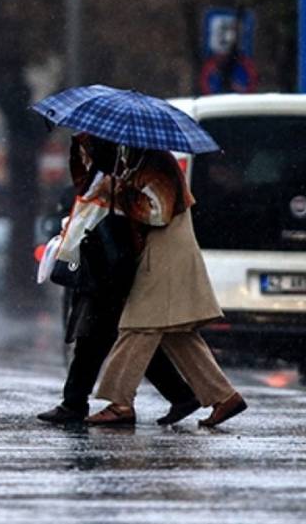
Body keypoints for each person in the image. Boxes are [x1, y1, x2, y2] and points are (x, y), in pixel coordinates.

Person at [37, 135, 201, 425]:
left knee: (99, 336)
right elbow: (82, 191)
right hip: (93, 258)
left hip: (109, 263)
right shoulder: (104, 168)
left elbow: (153, 212)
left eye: (88, 141)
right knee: (112, 337)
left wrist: (121, 193)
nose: (85, 145)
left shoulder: (135, 167)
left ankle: (76, 402)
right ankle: (179, 394)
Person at [85, 147, 246, 428]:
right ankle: (224, 397)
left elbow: (158, 213)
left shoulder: (158, 164)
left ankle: (119, 403)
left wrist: (118, 192)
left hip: (166, 254)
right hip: (162, 252)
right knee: (177, 332)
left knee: (138, 325)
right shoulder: (139, 162)